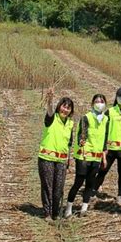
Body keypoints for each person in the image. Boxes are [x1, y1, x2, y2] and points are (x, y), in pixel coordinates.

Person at [65, 94, 108, 217]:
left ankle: (84, 209)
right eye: (96, 101)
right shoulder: (86, 118)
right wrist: (81, 141)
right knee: (78, 182)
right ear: (92, 104)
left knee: (90, 183)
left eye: (102, 101)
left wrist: (104, 156)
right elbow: (81, 134)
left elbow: (105, 139)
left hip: (96, 156)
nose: (99, 103)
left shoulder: (105, 120)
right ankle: (68, 208)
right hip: (84, 156)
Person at [93, 87, 121, 204]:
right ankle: (93, 191)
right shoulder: (110, 111)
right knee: (103, 169)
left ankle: (120, 195)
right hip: (111, 148)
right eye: (120, 96)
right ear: (116, 98)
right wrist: (103, 147)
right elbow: (104, 130)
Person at [38, 89, 74, 221]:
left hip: (62, 160)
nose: (65, 110)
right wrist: (50, 100)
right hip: (46, 158)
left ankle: (55, 213)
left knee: (58, 188)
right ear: (59, 107)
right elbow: (49, 110)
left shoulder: (70, 123)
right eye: (64, 106)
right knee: (48, 186)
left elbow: (69, 143)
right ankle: (47, 213)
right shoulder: (52, 118)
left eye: (68, 108)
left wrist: (69, 160)